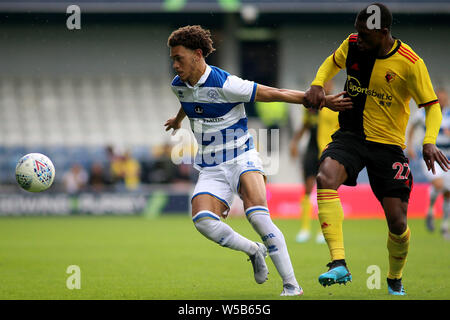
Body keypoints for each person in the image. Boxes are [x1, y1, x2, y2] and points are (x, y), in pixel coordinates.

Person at [164, 25, 352, 296]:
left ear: (197, 55)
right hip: (210, 166)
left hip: (242, 157)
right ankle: (253, 250)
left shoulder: (228, 84)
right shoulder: (178, 86)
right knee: (203, 220)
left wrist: (320, 102)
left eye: (178, 58)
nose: (174, 64)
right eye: (172, 58)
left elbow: (277, 93)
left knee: (258, 217)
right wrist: (178, 120)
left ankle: (291, 286)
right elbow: (189, 98)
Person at [303, 3, 450, 295]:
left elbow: (432, 107)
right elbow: (332, 61)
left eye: (365, 35)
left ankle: (395, 276)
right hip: (351, 135)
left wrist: (429, 140)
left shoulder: (410, 63)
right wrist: (318, 83)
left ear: (384, 33)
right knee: (325, 178)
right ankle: (337, 262)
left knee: (397, 222)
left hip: (388, 146)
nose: (359, 38)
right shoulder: (354, 43)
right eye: (357, 32)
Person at [290, 80, 338, 244]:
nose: (326, 86)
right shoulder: (311, 108)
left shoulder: (335, 107)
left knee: (326, 191)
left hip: (327, 150)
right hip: (311, 151)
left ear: (332, 86)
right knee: (308, 188)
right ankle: (304, 229)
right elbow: (305, 126)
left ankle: (322, 231)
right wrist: (294, 143)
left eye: (329, 84)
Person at [407, 89, 450, 239]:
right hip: (430, 156)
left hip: (447, 157)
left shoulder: (449, 115)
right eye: (439, 98)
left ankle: (445, 225)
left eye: (444, 98)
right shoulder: (424, 113)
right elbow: (412, 126)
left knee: (448, 193)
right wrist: (410, 145)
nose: (441, 100)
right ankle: (431, 209)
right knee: (439, 184)